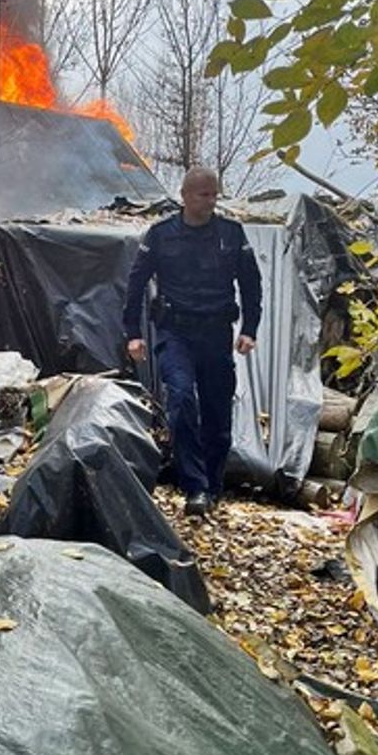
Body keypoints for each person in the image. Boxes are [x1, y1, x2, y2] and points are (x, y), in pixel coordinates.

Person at [122, 167, 262, 517]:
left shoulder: (231, 234)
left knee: (217, 411)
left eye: (214, 194)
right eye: (203, 194)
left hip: (217, 333)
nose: (211, 201)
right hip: (176, 332)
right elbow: (136, 284)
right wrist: (133, 333)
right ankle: (195, 487)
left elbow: (251, 284)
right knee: (181, 399)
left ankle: (212, 487)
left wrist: (250, 329)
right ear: (185, 195)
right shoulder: (160, 234)